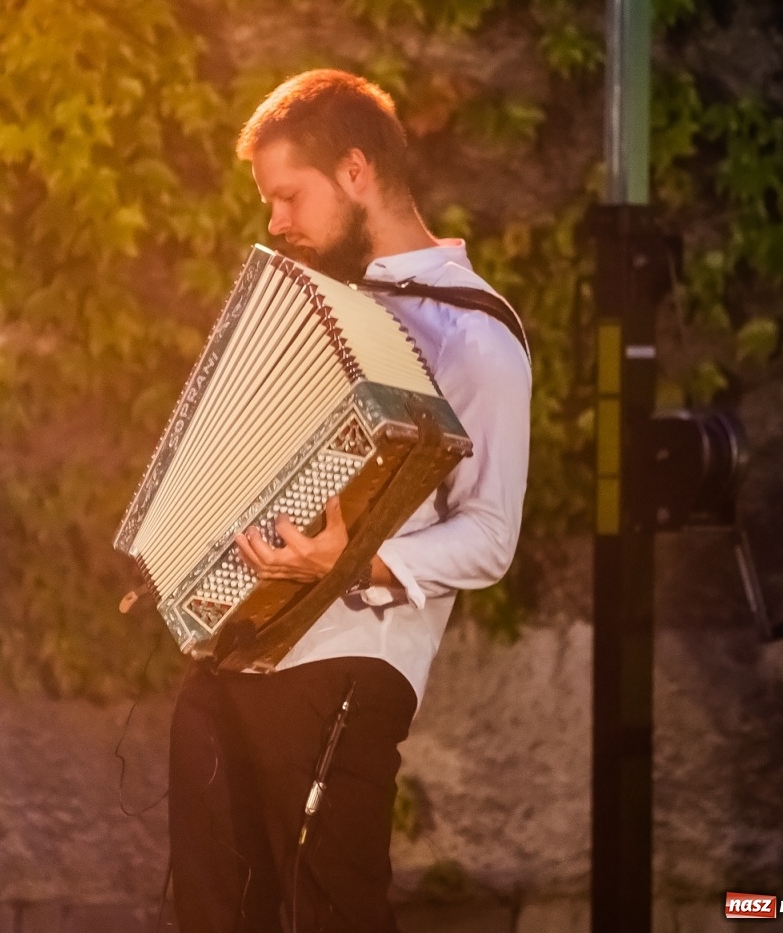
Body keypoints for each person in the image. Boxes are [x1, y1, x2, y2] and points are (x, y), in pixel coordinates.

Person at [167, 70, 532, 932]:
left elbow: (491, 534)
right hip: (236, 654)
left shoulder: (474, 334)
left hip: (350, 663)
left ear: (356, 171)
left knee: (330, 915)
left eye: (288, 195)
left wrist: (357, 560)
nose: (274, 222)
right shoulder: (319, 314)